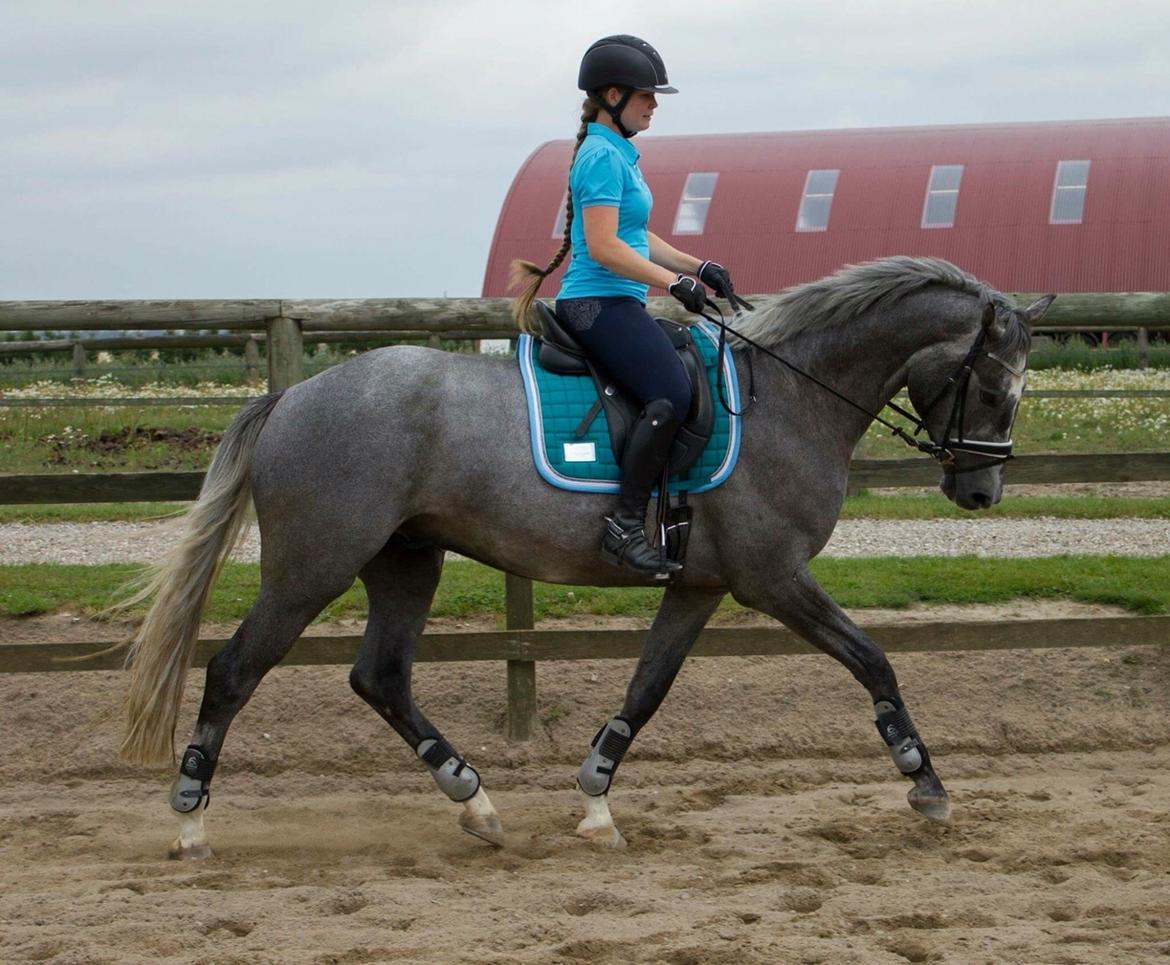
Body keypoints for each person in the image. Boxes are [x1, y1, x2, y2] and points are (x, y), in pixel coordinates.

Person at [510, 34, 741, 579]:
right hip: (595, 304)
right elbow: (608, 248)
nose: (654, 104)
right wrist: (673, 283)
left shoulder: (619, 154)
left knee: (685, 366)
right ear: (612, 95)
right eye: (646, 95)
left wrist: (698, 265)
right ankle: (624, 526)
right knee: (670, 393)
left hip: (618, 301)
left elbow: (635, 234)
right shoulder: (599, 157)